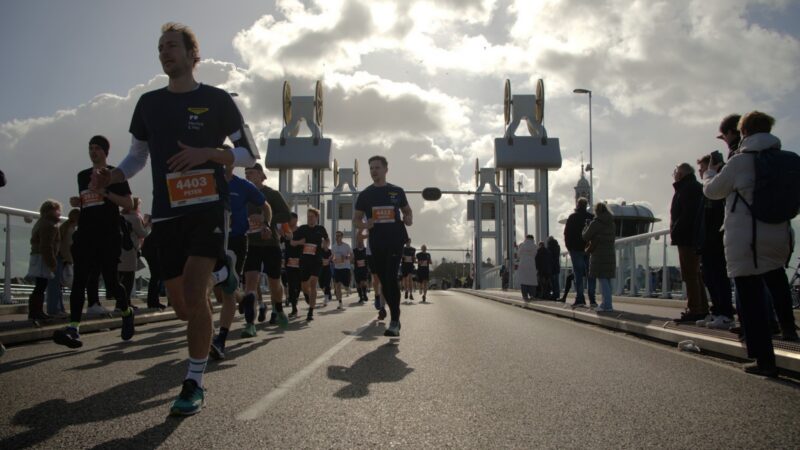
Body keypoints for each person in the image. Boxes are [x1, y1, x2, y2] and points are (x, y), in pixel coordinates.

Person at [87, 23, 258, 414]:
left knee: (196, 294)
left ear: (192, 54)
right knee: (181, 307)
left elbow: (250, 154)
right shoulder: (148, 103)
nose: (165, 52)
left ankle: (193, 383)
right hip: (166, 214)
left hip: (209, 208)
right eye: (160, 47)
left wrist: (209, 154)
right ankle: (223, 271)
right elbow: (137, 157)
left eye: (172, 46)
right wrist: (112, 176)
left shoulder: (217, 100)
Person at [703, 111, 797, 376]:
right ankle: (788, 327)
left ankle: (764, 360)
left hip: (748, 239)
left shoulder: (741, 161)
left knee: (750, 297)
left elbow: (713, 191)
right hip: (780, 235)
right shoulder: (787, 160)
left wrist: (709, 173)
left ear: (743, 132)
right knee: (776, 282)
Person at [53, 135, 134, 349]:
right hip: (86, 233)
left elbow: (128, 203)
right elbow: (88, 203)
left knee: (111, 281)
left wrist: (104, 192)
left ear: (106, 152)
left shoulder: (115, 175)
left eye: (97, 148)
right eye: (90, 148)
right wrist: (78, 202)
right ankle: (73, 328)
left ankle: (127, 312)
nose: (93, 151)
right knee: (80, 279)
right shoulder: (82, 176)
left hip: (108, 234)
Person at [210, 165, 266, 359]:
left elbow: (264, 203)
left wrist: (265, 221)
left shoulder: (243, 186)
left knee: (225, 292)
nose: (221, 165)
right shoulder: (205, 181)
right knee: (217, 290)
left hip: (236, 241)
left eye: (225, 161)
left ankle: (219, 339)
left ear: (232, 164)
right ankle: (244, 298)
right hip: (210, 239)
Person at [353, 155, 413, 337]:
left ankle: (394, 320)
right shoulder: (365, 195)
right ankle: (395, 317)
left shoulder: (397, 191)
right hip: (376, 243)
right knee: (384, 282)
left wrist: (408, 218)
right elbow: (356, 220)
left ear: (386, 169)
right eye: (371, 168)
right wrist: (365, 225)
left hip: (395, 240)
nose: (374, 171)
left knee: (391, 277)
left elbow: (407, 211)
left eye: (377, 168)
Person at [243, 163, 291, 326]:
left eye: (251, 172)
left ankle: (278, 308)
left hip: (271, 244)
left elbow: (286, 214)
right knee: (251, 282)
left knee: (274, 283)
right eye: (246, 173)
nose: (248, 175)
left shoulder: (272, 194)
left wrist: (266, 220)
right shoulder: (243, 194)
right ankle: (250, 324)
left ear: (261, 175)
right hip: (250, 244)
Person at [695, 154, 735, 329]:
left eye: (703, 168)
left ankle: (726, 314)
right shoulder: (706, 188)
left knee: (719, 276)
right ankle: (717, 311)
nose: (701, 172)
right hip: (707, 239)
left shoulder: (719, 186)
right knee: (709, 277)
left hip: (717, 238)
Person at [670, 163, 709, 323]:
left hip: (687, 238)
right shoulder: (692, 187)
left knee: (690, 274)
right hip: (691, 237)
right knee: (695, 274)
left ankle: (695, 309)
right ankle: (702, 308)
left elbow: (688, 215)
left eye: (676, 172)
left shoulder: (687, 189)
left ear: (682, 173)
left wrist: (676, 230)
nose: (674, 174)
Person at [290, 208, 328, 321]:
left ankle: (310, 311)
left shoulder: (320, 229)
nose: (310, 218)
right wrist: (298, 242)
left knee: (313, 282)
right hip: (304, 261)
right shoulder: (302, 229)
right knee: (304, 286)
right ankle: (307, 295)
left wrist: (326, 245)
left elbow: (327, 239)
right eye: (308, 217)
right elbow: (292, 242)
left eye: (312, 216)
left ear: (317, 218)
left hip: (316, 260)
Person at [27, 199, 62, 322]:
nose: (59, 212)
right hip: (43, 257)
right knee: (41, 285)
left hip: (36, 256)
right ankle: (36, 311)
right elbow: (46, 246)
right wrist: (52, 263)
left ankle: (35, 311)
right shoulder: (49, 225)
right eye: (56, 210)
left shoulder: (41, 222)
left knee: (39, 285)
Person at [582, 202, 616, 312]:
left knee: (602, 279)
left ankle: (607, 305)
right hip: (610, 253)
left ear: (596, 211)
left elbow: (586, 237)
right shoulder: (612, 223)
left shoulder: (596, 223)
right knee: (607, 279)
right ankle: (607, 303)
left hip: (599, 253)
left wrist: (586, 227)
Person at [564, 197, 596, 307]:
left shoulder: (572, 217)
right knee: (590, 274)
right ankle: (592, 299)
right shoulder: (591, 217)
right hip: (589, 249)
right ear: (586, 205)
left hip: (575, 250)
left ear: (577, 205)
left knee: (578, 275)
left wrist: (569, 247)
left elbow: (566, 234)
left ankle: (580, 298)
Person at [48, 208, 79, 316]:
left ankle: (58, 308)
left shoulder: (65, 227)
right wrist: (70, 260)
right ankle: (55, 309)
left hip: (59, 258)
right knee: (56, 285)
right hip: (62, 259)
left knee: (57, 285)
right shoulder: (70, 230)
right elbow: (66, 247)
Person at [119, 197, 150, 304]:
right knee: (129, 277)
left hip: (119, 249)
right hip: (130, 250)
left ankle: (120, 302)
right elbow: (143, 233)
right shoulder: (135, 218)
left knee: (120, 277)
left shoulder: (120, 216)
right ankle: (126, 302)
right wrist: (147, 225)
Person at [283, 213, 303, 317]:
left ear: (296, 219)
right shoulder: (286, 231)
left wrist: (296, 242)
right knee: (291, 285)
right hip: (289, 261)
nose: (289, 221)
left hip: (300, 260)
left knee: (299, 284)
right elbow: (280, 240)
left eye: (291, 219)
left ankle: (296, 298)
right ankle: (294, 308)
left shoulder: (300, 230)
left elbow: (305, 241)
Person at [331, 230, 353, 309]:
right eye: (336, 236)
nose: (337, 237)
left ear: (341, 237)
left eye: (338, 236)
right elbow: (332, 257)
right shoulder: (333, 246)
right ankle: (340, 303)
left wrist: (345, 257)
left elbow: (352, 256)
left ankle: (348, 287)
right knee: (337, 286)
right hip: (337, 268)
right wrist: (333, 260)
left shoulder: (346, 246)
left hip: (345, 268)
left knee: (345, 286)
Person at [516, 235, 538, 300]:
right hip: (531, 264)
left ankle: (525, 295)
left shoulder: (522, 245)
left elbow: (518, 254)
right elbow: (535, 254)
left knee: (523, 280)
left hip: (523, 264)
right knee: (532, 280)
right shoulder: (534, 246)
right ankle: (532, 295)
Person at [353, 234, 371, 305]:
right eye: (358, 242)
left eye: (361, 241)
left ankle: (364, 294)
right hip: (357, 269)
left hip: (364, 269)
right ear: (357, 242)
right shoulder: (354, 251)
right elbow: (352, 259)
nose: (360, 243)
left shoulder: (366, 250)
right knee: (358, 284)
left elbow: (369, 259)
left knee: (363, 282)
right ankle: (360, 297)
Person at [319, 240, 333, 307]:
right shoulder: (319, 251)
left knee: (327, 284)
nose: (325, 244)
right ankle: (328, 294)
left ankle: (326, 299)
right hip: (320, 270)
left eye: (326, 243)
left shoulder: (330, 252)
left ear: (328, 244)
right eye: (323, 243)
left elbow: (333, 259)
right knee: (321, 285)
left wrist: (331, 259)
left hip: (328, 269)